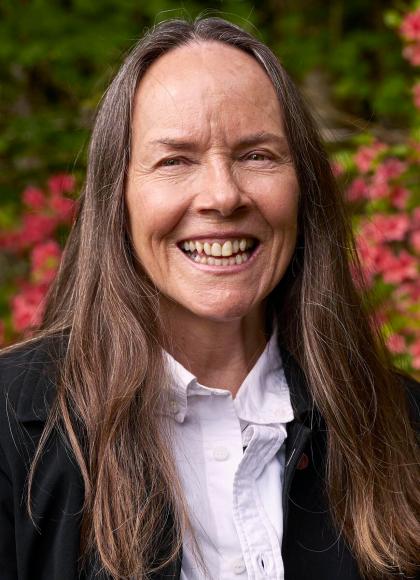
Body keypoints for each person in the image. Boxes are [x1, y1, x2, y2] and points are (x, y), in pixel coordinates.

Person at [0, 16, 419, 580]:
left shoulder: (404, 427)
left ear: (304, 187)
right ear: (117, 196)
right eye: (175, 160)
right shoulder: (8, 430)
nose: (223, 195)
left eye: (257, 155)